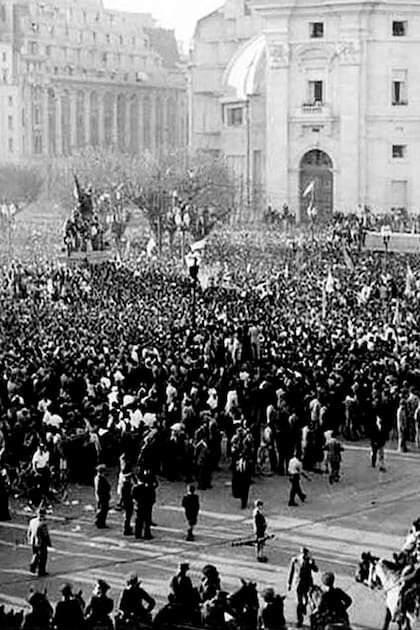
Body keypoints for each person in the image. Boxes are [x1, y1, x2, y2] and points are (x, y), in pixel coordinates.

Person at [287, 547, 319, 627]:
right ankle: (299, 620)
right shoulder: (296, 560)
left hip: (308, 583)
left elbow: (316, 570)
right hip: (298, 583)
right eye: (303, 553)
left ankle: (304, 607)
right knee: (298, 602)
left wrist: (312, 564)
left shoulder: (310, 560)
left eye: (305, 554)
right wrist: (289, 583)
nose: (304, 555)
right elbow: (291, 572)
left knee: (307, 600)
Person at [27, 507, 51, 577]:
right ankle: (41, 571)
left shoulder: (32, 521)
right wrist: (49, 543)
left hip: (33, 541)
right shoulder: (43, 523)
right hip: (41, 542)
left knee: (35, 554)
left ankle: (32, 567)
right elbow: (45, 534)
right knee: (43, 556)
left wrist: (29, 539)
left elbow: (29, 531)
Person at [94, 464, 111, 529]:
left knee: (100, 509)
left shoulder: (97, 478)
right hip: (103, 497)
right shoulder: (100, 479)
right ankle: (100, 523)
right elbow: (99, 489)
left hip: (102, 496)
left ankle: (99, 521)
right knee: (103, 510)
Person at [120, 471, 134, 536]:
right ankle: (127, 529)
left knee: (127, 516)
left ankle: (127, 527)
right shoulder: (129, 486)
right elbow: (132, 494)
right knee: (128, 516)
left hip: (125, 503)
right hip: (129, 503)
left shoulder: (123, 486)